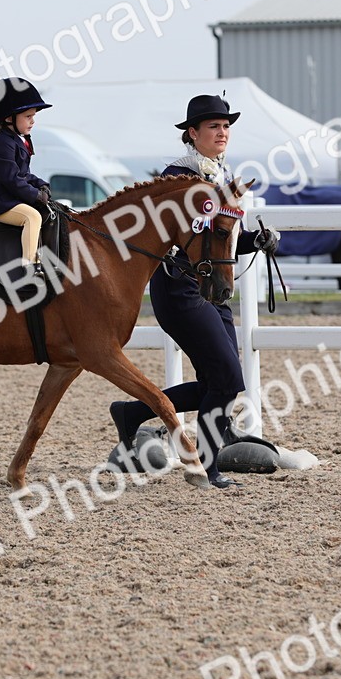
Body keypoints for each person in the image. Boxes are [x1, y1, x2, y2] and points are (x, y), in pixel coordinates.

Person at [108, 94, 277, 489]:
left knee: (222, 380)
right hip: (180, 287)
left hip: (211, 287)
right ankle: (207, 464)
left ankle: (133, 414)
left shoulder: (219, 175)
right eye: (214, 127)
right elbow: (179, 236)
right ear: (192, 134)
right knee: (227, 376)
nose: (222, 132)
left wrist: (257, 239)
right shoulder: (179, 178)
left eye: (226, 126)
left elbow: (218, 237)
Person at [0, 78, 53, 277]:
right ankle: (28, 267)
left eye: (33, 116)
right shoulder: (2, 143)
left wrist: (41, 185)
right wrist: (34, 195)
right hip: (1, 203)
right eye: (28, 116)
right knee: (31, 217)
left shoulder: (15, 141)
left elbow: (24, 174)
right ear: (9, 117)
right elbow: (12, 179)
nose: (33, 121)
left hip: (11, 199)